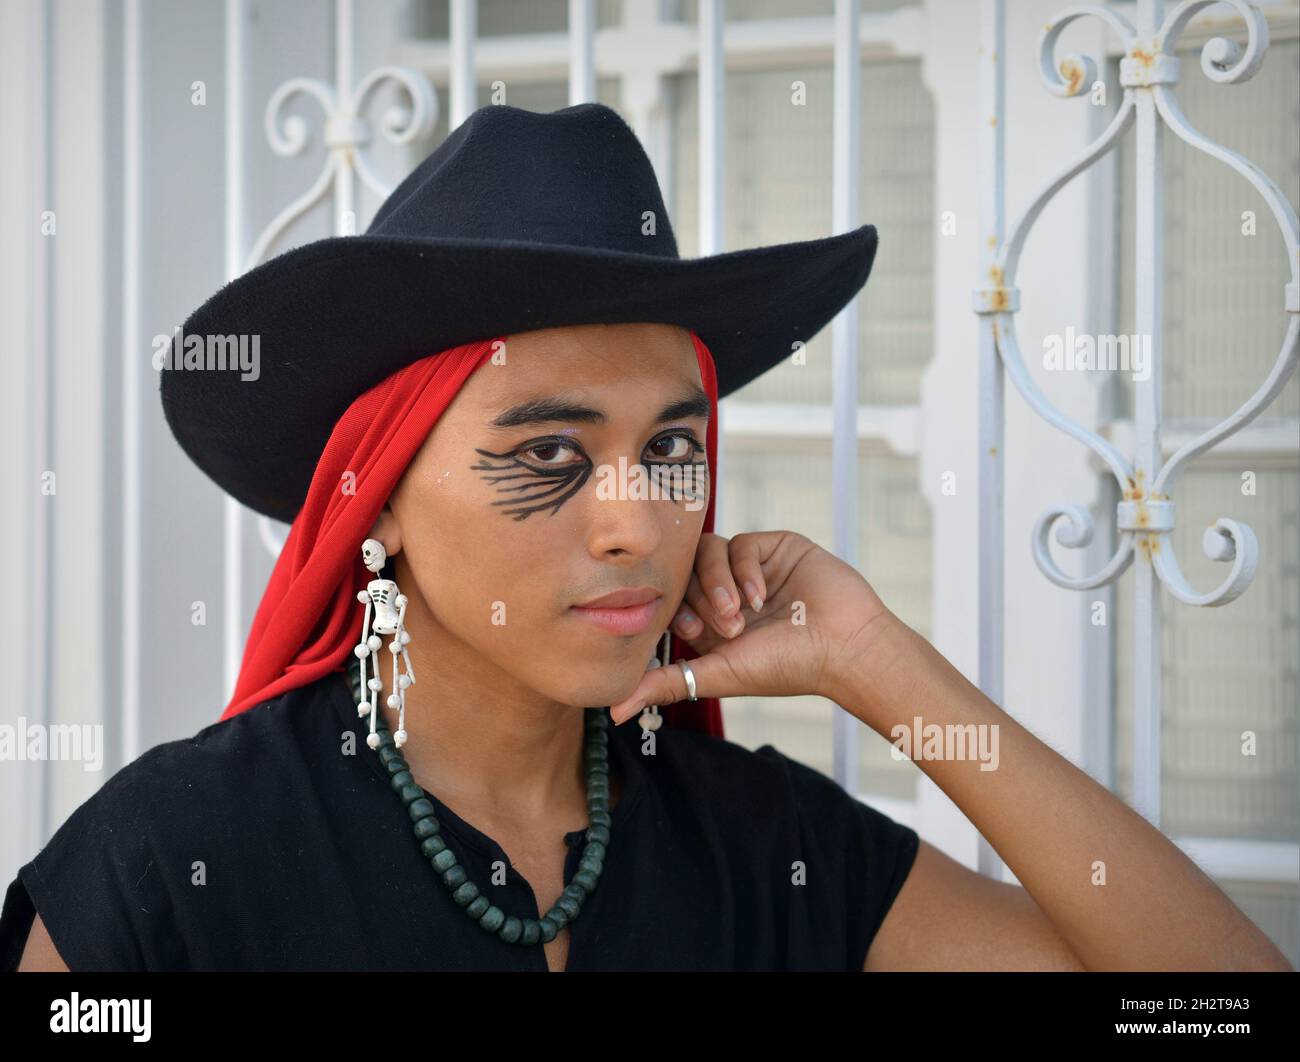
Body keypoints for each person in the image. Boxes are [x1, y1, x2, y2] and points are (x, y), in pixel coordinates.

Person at [2, 104, 1289, 972]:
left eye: (673, 448)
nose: (639, 524)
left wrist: (879, 666)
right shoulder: (174, 869)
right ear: (375, 493)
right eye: (548, 456)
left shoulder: (762, 845)